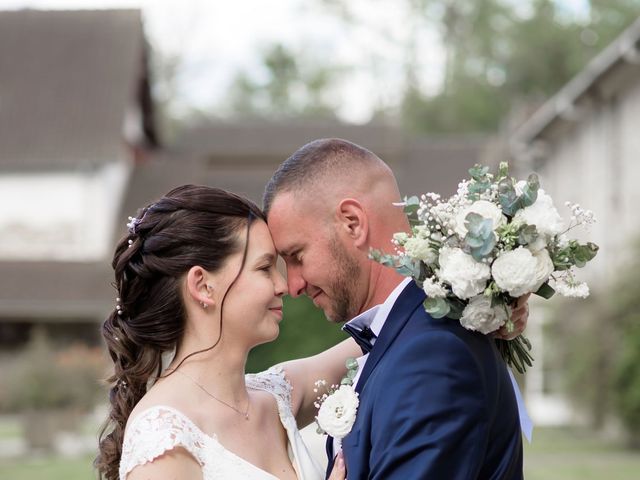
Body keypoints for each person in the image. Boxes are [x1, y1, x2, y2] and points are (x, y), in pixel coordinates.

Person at [264, 138, 528, 479]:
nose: (294, 285)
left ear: (353, 223)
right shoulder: (401, 336)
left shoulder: (432, 355)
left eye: (296, 257)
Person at [95, 185, 358, 480]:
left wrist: (419, 274)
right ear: (203, 286)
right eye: (264, 267)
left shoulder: (275, 398)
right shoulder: (163, 438)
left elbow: (375, 338)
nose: (283, 286)